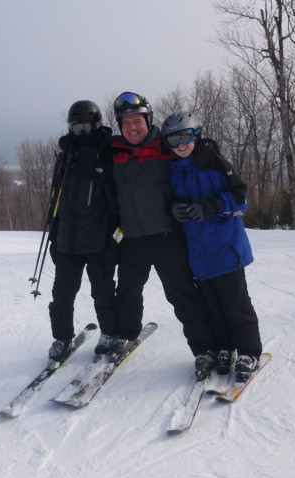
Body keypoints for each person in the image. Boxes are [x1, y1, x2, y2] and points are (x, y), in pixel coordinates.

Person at [101, 91, 219, 363]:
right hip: (131, 238)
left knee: (182, 294)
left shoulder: (167, 148)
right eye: (126, 122)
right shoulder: (114, 152)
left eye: (137, 121)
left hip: (167, 236)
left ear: (148, 121)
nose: (132, 127)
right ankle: (126, 334)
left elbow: (194, 160)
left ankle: (204, 349)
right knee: (128, 291)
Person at [161, 111, 263, 382]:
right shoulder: (172, 170)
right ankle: (225, 348)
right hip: (198, 253)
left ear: (196, 135)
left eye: (185, 137)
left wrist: (211, 205)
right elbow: (168, 202)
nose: (180, 145)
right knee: (213, 307)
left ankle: (249, 352)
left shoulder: (215, 162)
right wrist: (176, 211)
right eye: (173, 140)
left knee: (235, 304)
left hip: (226, 248)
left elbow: (240, 197)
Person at [46, 100, 119, 365]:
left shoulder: (107, 154)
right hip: (67, 238)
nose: (81, 132)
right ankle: (62, 338)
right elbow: (56, 199)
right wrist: (54, 235)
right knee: (62, 294)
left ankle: (109, 333)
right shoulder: (66, 155)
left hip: (98, 239)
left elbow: (116, 203)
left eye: (86, 127)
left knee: (103, 292)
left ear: (96, 125)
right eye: (76, 127)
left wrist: (115, 239)